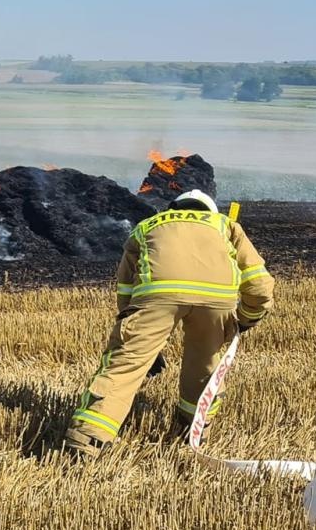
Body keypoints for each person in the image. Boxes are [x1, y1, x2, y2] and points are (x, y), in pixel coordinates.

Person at [69, 190, 275, 459]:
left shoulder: (147, 226)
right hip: (216, 299)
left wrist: (137, 336)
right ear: (209, 209)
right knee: (205, 366)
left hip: (157, 296)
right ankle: (193, 433)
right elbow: (259, 285)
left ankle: (86, 442)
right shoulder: (225, 225)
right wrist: (247, 318)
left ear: (172, 208)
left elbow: (125, 287)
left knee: (125, 366)